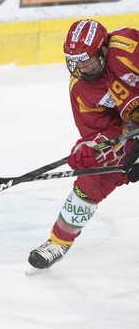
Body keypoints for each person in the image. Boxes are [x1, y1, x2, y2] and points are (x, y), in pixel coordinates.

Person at [28, 19, 139, 272]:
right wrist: (92, 147)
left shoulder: (127, 47)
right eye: (74, 60)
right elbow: (101, 128)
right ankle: (59, 240)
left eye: (86, 59)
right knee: (93, 177)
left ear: (103, 48)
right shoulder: (81, 88)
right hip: (134, 126)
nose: (80, 67)